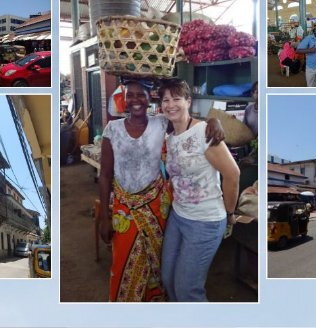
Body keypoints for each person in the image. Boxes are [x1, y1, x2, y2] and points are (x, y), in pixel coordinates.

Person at [99, 79, 224, 302]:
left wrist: (213, 121)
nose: (135, 100)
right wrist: (104, 218)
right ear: (124, 98)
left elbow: (187, 123)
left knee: (157, 264)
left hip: (157, 208)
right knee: (121, 262)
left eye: (141, 95)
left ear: (150, 98)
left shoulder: (160, 124)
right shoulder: (112, 129)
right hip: (123, 209)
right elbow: (105, 175)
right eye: (131, 95)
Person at [159, 78, 240, 302]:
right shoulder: (170, 135)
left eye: (176, 98)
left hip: (205, 221)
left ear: (188, 101)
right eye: (165, 100)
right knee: (167, 278)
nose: (170, 104)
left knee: (187, 290)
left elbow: (233, 174)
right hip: (178, 216)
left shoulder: (204, 132)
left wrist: (230, 212)